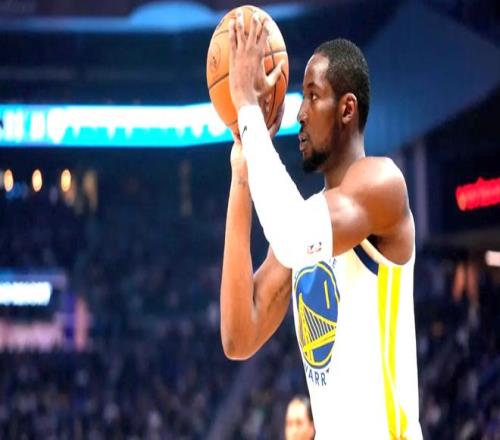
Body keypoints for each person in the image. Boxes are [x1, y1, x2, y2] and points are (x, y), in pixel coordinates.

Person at [220, 9, 422, 439]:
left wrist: (248, 106)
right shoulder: (307, 222)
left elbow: (295, 237)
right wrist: (242, 171)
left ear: (347, 108)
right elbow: (238, 336)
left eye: (313, 96)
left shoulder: (383, 184)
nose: (299, 113)